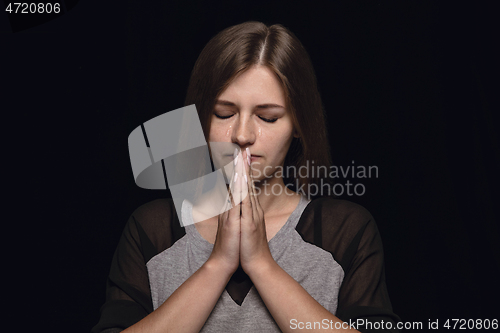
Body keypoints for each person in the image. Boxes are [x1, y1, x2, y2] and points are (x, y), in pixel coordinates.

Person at [92, 21, 400, 333]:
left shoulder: (344, 231)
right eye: (224, 113)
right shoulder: (153, 229)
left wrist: (261, 264)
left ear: (298, 123)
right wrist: (219, 263)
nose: (242, 135)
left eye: (268, 117)